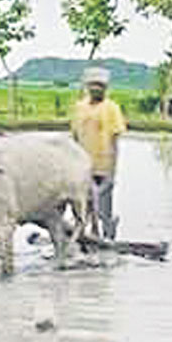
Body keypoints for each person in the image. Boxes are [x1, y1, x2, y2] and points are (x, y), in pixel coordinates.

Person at [70, 67, 127, 240]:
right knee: (83, 205)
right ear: (87, 87)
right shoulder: (80, 107)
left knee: (103, 207)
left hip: (103, 165)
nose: (96, 89)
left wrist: (112, 171)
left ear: (105, 88)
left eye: (100, 86)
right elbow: (74, 137)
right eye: (93, 85)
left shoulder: (111, 108)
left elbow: (115, 139)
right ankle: (88, 234)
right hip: (82, 166)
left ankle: (108, 234)